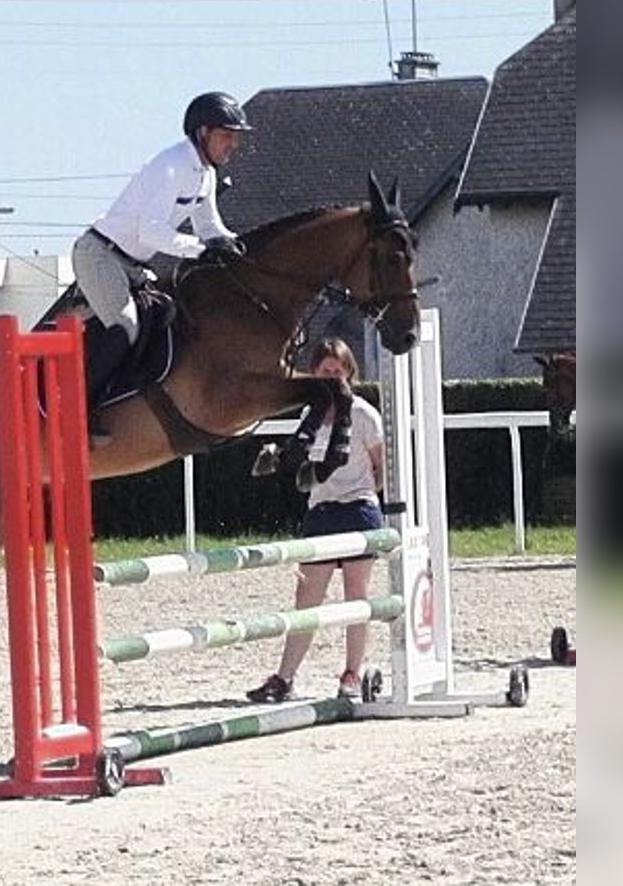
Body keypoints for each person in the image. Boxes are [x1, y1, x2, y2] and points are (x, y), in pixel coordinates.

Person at [70, 91, 252, 439]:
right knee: (125, 324)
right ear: (203, 133)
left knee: (167, 314)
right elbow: (150, 231)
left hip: (132, 264)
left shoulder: (206, 174)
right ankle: (78, 410)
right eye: (226, 135)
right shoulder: (170, 166)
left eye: (235, 137)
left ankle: (130, 396)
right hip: (100, 255)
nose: (233, 145)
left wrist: (234, 245)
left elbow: (209, 226)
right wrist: (199, 250)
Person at [246, 337, 387, 703]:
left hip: (357, 507)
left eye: (337, 372)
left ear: (349, 373)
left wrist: (367, 494)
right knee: (307, 596)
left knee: (356, 595)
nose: (331, 377)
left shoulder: (363, 414)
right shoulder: (309, 416)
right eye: (325, 372)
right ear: (314, 374)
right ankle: (285, 676)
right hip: (321, 509)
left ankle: (352, 672)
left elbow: (380, 466)